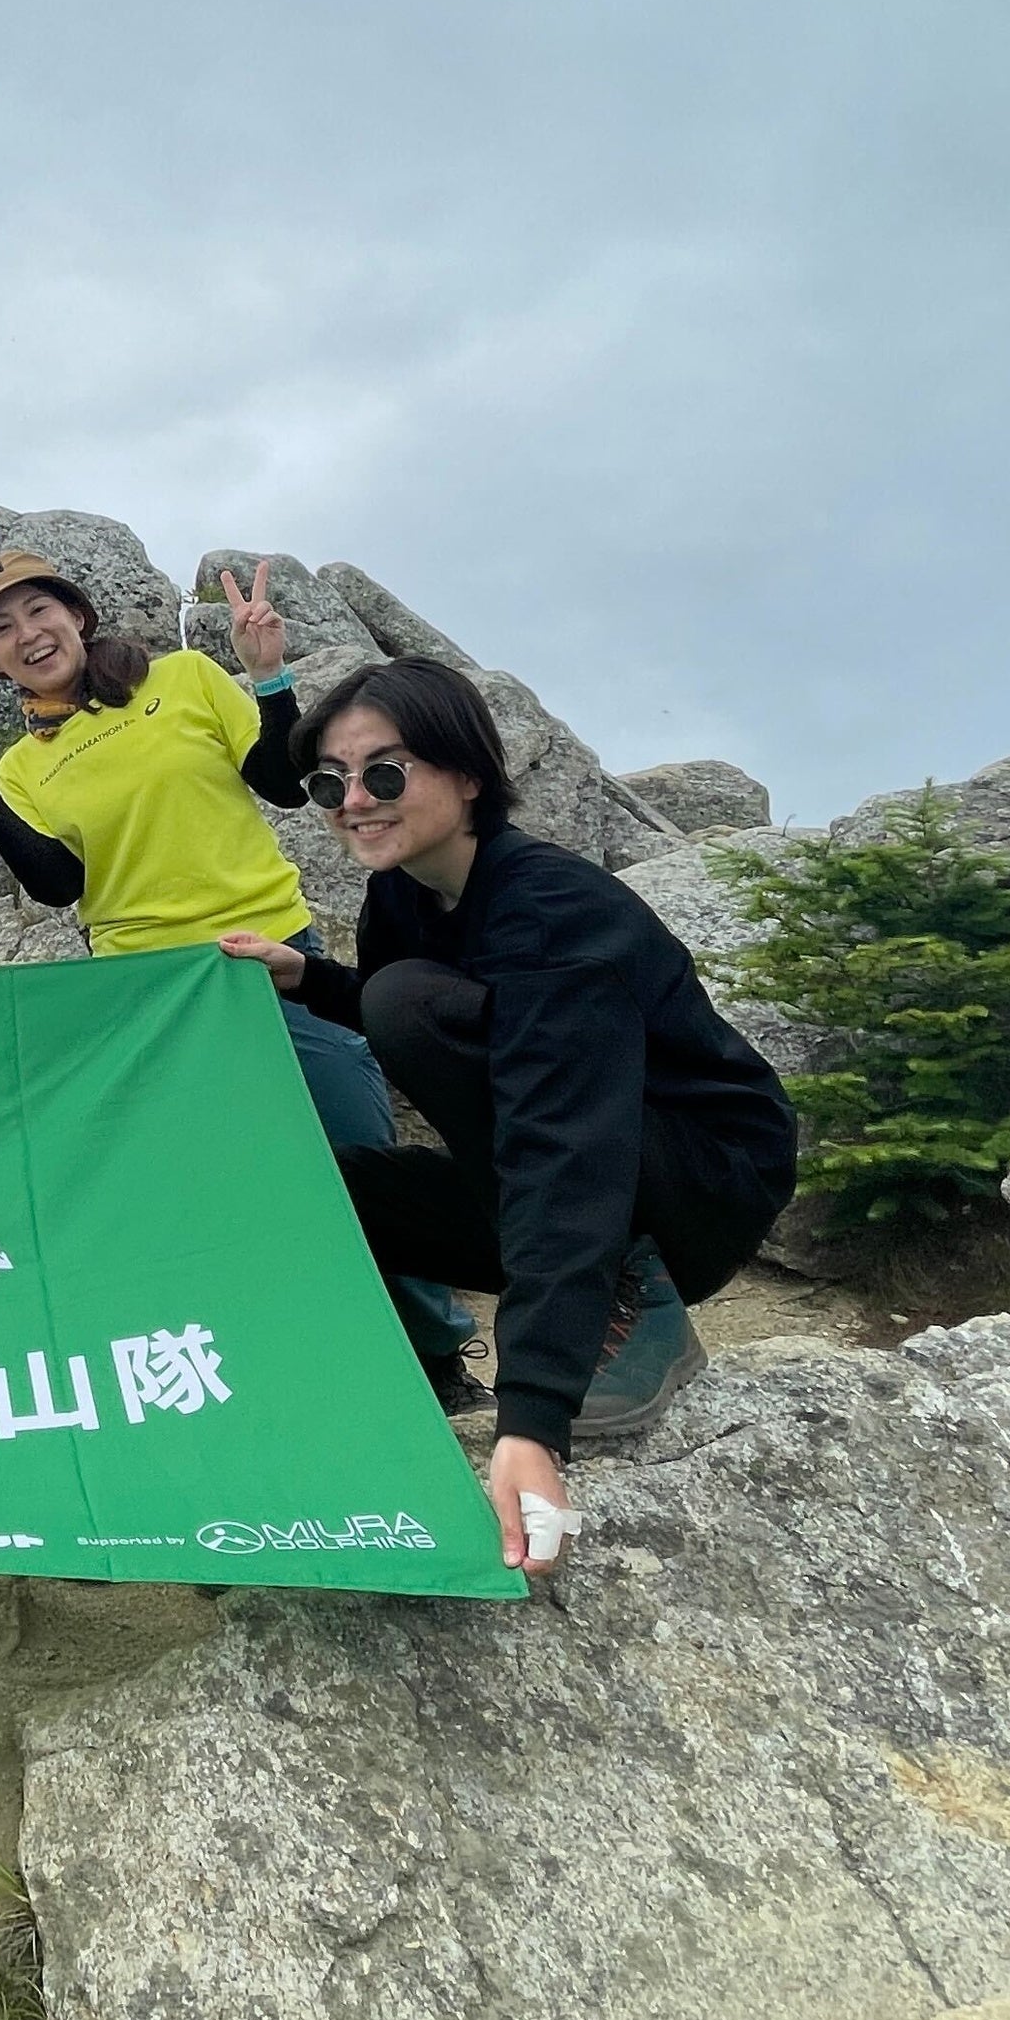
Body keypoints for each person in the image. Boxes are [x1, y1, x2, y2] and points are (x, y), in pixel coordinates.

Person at [219, 654, 798, 1579]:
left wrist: (532, 1419)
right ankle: (317, 1411)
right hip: (553, 1162)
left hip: (696, 1179)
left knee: (406, 1002)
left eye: (385, 771)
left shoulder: (552, 908)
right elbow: (469, 1018)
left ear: (469, 774)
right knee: (313, 1187)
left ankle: (630, 1294)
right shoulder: (402, 892)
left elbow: (561, 1139)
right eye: (330, 780)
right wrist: (311, 979)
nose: (353, 799)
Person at [0, 552, 480, 1399]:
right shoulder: (24, 764)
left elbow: (281, 784)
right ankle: (268, 1358)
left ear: (77, 616)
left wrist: (269, 676)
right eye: (1, 629)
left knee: (356, 1146)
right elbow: (61, 885)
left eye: (37, 611)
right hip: (148, 993)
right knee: (204, 1179)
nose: (27, 634)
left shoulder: (189, 679)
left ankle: (436, 1354)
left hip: (273, 955)